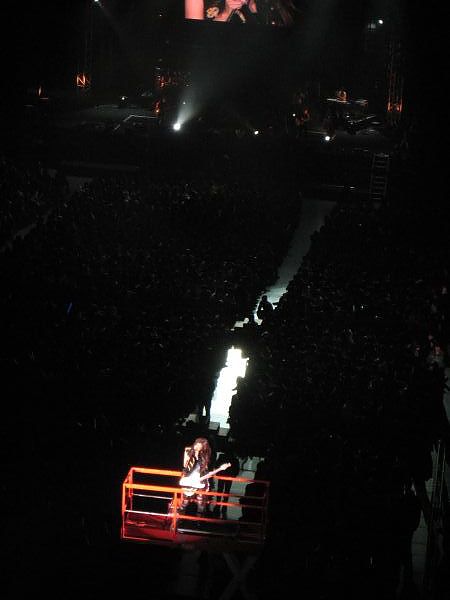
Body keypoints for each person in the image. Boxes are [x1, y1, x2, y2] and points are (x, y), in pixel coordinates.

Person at [179, 437, 213, 514]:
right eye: (196, 444)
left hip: (200, 478)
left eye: (200, 446)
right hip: (189, 478)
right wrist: (192, 455)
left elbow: (205, 468)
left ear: (203, 447)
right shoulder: (188, 450)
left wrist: (206, 480)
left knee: (200, 499)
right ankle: (180, 514)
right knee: (186, 499)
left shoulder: (204, 455)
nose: (197, 447)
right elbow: (185, 465)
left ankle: (199, 517)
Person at [213, 447, 240, 517]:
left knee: (220, 489)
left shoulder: (222, 457)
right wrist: (233, 475)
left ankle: (219, 503)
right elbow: (237, 469)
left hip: (223, 475)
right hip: (228, 476)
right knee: (226, 490)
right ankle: (224, 504)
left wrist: (218, 472)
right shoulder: (234, 459)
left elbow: (216, 465)